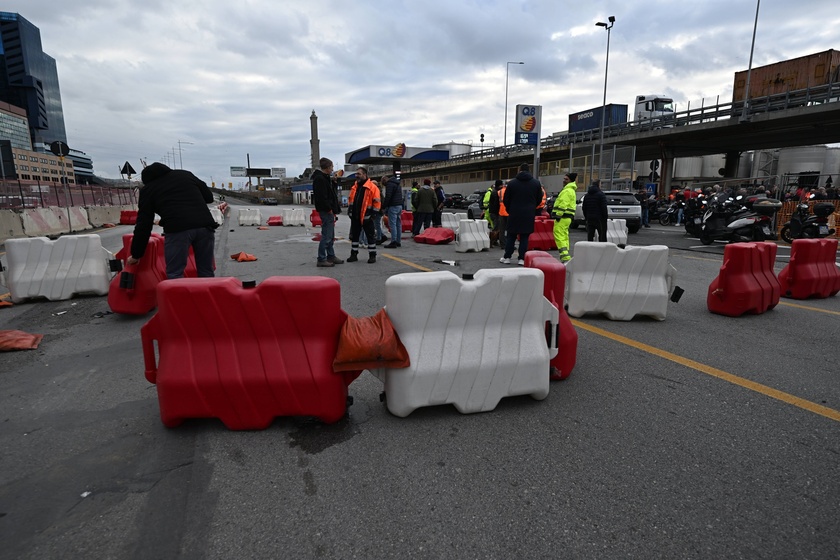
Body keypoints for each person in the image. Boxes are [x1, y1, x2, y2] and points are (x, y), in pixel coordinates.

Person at [127, 162, 217, 279]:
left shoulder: (148, 190)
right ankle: (206, 296)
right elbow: (209, 197)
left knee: (175, 273)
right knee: (206, 272)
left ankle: (177, 297)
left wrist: (136, 254)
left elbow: (144, 224)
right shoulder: (185, 175)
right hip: (205, 227)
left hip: (177, 230)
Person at [500, 163, 542, 265]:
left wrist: (510, 209)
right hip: (528, 214)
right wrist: (531, 207)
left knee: (511, 236)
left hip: (514, 212)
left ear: (519, 170)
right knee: (524, 237)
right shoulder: (536, 183)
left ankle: (507, 257)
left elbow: (506, 199)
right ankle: (522, 259)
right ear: (529, 170)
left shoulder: (512, 183)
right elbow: (539, 199)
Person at [311, 157, 344, 267]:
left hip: (328, 209)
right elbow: (322, 197)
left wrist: (333, 182)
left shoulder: (324, 178)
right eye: (331, 167)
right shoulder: (320, 179)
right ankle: (321, 258)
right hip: (326, 210)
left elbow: (330, 192)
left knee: (330, 234)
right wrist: (329, 208)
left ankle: (331, 255)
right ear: (327, 167)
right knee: (327, 235)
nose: (332, 169)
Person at [347, 166, 381, 264]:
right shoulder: (355, 187)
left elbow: (377, 202)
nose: (356, 175)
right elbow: (351, 201)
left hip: (367, 217)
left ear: (365, 175)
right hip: (355, 217)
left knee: (370, 236)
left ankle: (372, 255)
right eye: (356, 174)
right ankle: (353, 254)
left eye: (359, 174)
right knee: (355, 237)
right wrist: (350, 212)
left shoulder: (372, 187)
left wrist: (373, 215)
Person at [552, 172, 578, 263]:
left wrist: (558, 215)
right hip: (567, 217)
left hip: (563, 217)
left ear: (570, 180)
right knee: (564, 235)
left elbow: (563, 204)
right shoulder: (571, 190)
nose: (564, 180)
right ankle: (566, 255)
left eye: (566, 179)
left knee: (559, 235)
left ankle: (565, 257)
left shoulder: (567, 190)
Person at [381, 174, 403, 248]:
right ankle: (398, 241)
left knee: (392, 224)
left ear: (384, 180)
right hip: (399, 206)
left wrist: (384, 206)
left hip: (393, 206)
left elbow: (388, 196)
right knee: (398, 224)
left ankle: (393, 241)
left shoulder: (389, 185)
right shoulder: (397, 183)